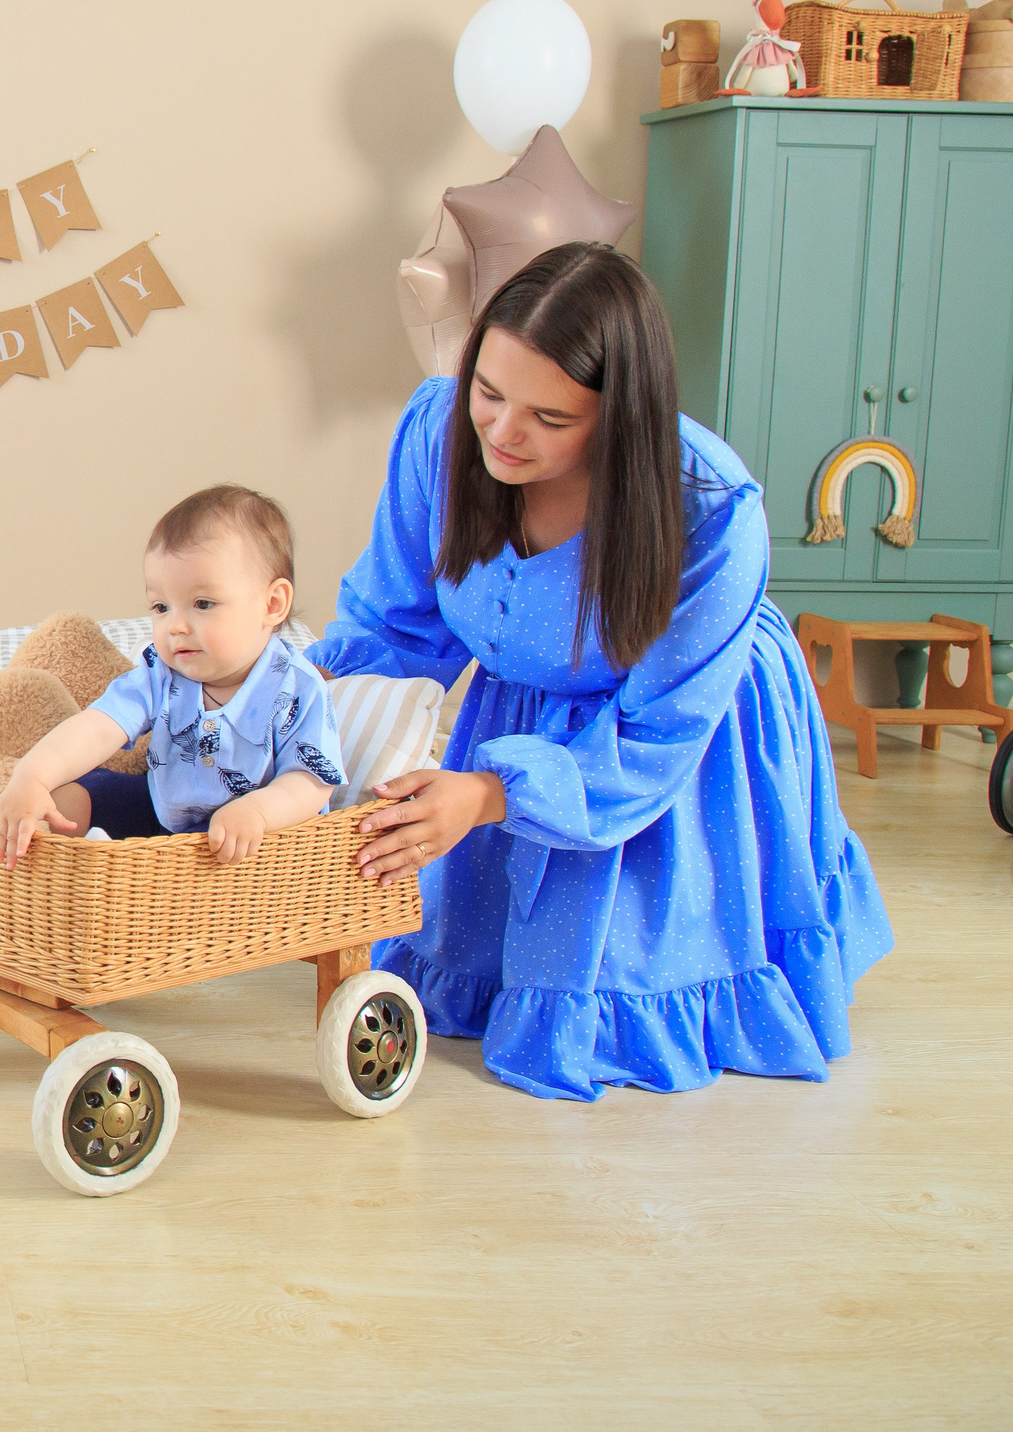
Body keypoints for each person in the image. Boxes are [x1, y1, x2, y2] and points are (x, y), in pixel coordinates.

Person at [307, 241, 893, 1101]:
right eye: (491, 392)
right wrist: (299, 703)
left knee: (622, 966)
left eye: (550, 419)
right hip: (525, 708)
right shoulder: (439, 435)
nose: (504, 432)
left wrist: (487, 793)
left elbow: (656, 732)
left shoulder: (711, 510)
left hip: (678, 718)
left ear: (621, 417)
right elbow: (392, 623)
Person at [0, 485, 346, 867]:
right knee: (76, 794)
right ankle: (50, 863)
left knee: (216, 848)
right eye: (161, 606)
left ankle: (121, 879)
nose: (175, 626)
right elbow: (97, 727)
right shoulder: (163, 670)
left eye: (202, 604)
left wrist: (257, 811)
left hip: (252, 846)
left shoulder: (297, 686)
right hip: (166, 819)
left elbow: (311, 782)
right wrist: (32, 777)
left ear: (271, 605)